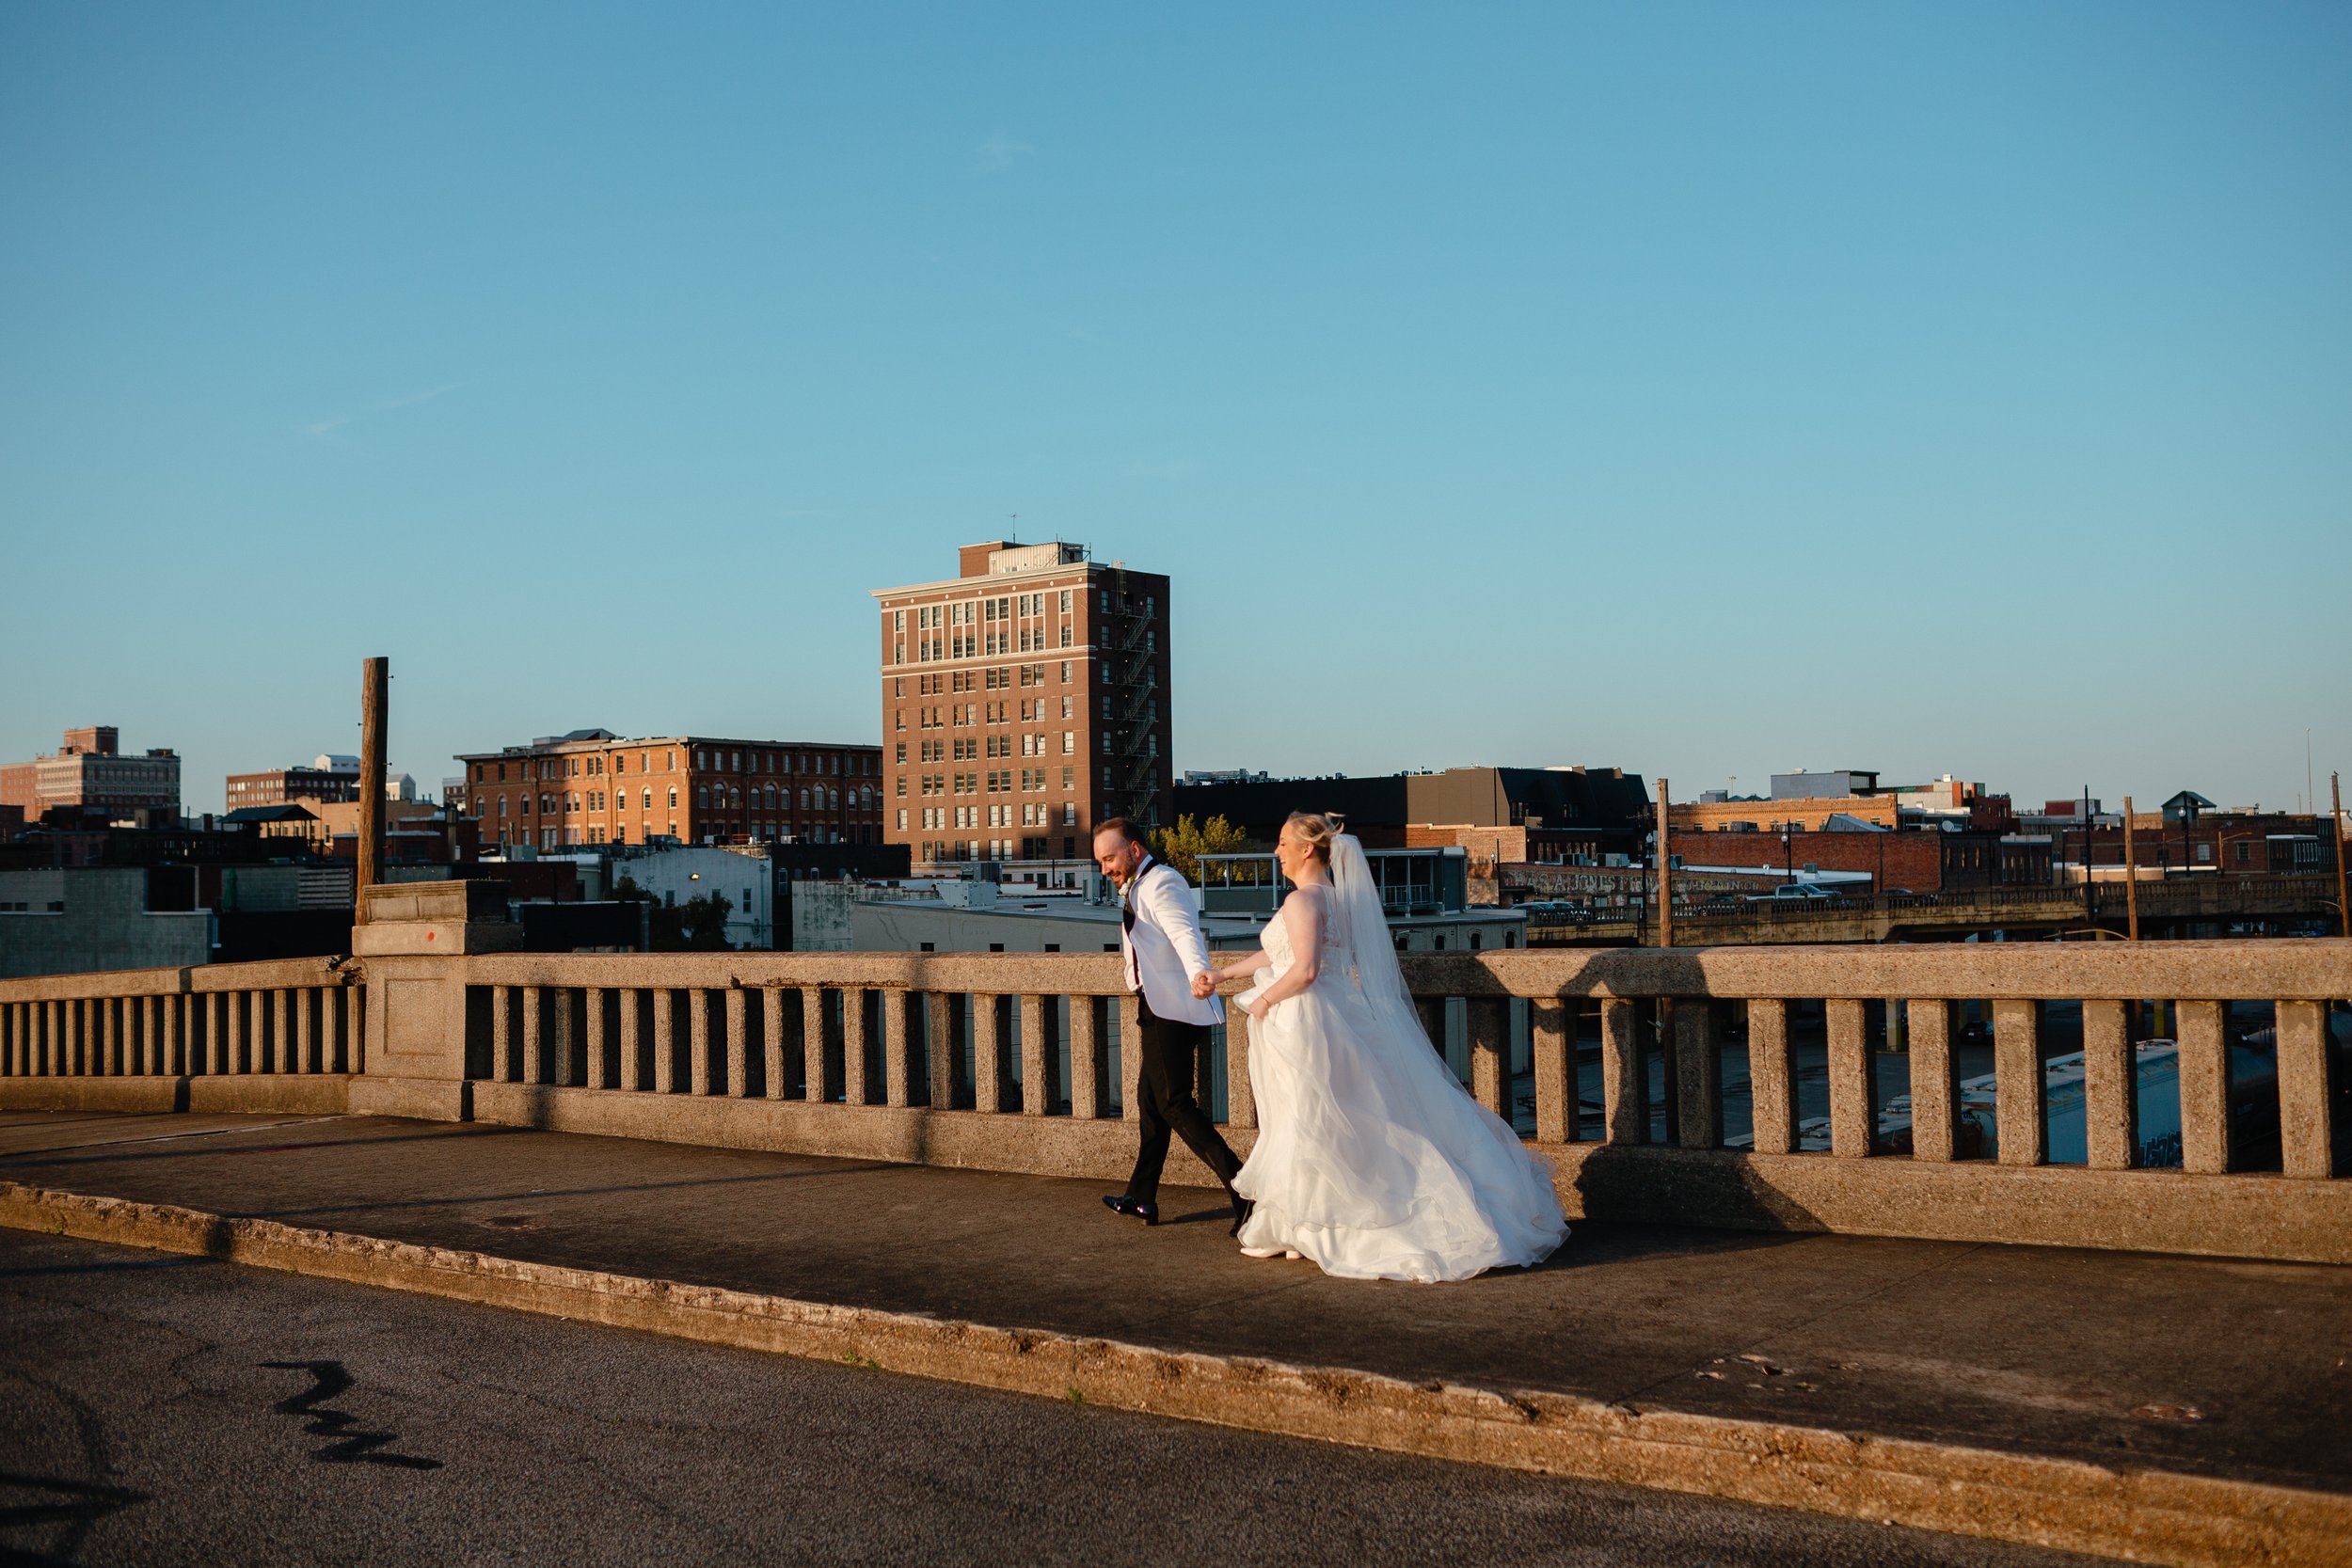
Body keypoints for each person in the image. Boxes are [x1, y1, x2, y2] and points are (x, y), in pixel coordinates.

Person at [1200, 813, 1569, 1282]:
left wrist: (1263, 1001)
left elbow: (1304, 969)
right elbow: (1282, 953)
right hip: (1339, 1013)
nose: (1277, 852)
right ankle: (1298, 1225)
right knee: (1335, 1117)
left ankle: (1304, 1226)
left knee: (1309, 1118)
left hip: (1306, 1018)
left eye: (1282, 843)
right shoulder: (1336, 900)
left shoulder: (1301, 901)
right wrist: (1223, 974)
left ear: (1307, 849)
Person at [1094, 818, 1249, 1232]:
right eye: (1100, 862)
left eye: (1109, 858)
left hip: (1173, 1011)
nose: (1105, 869)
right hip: (1158, 1007)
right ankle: (1141, 1197)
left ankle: (1244, 1190)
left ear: (1135, 850)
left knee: (1174, 1104)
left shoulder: (1162, 882)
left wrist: (1201, 973)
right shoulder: (1139, 886)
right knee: (1152, 1102)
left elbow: (1185, 934)